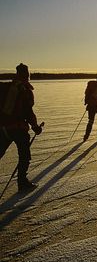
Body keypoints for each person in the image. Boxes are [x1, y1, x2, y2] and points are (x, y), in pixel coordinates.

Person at [0, 63, 43, 192]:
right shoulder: (25, 90)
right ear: (27, 75)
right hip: (18, 128)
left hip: (3, 128)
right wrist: (35, 126)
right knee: (24, 156)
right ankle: (22, 183)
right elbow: (28, 112)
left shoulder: (5, 87)